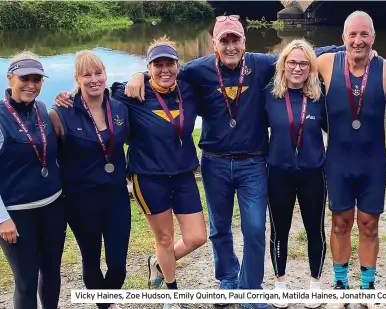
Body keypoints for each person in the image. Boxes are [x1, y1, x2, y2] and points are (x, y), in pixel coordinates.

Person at [122, 15, 345, 309]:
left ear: (244, 42)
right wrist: (138, 75)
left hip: (253, 161)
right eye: (224, 41)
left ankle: (250, 290)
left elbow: (300, 55)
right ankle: (228, 281)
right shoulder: (198, 69)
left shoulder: (263, 64)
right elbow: (164, 72)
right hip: (214, 161)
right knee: (219, 228)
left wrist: (348, 50)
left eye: (235, 40)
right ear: (215, 44)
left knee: (254, 227)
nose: (230, 46)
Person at [55, 37, 208, 309]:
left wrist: (139, 73)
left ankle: (158, 263)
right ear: (148, 67)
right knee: (164, 238)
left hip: (184, 173)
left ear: (177, 65)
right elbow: (96, 92)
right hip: (147, 177)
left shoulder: (189, 88)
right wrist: (67, 96)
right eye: (156, 64)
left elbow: (205, 70)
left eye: (169, 63)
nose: (164, 70)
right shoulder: (129, 93)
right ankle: (171, 296)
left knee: (197, 237)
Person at [316, 11, 386, 309]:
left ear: (373, 38)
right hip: (338, 160)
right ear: (342, 39)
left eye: (364, 34)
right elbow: (295, 61)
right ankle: (340, 286)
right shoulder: (326, 64)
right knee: (340, 223)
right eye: (352, 34)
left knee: (369, 225)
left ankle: (368, 288)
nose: (358, 40)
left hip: (373, 162)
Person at [0, 51, 66, 309]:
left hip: (53, 209)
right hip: (17, 216)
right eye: (25, 78)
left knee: (52, 273)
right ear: (10, 78)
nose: (31, 84)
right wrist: (2, 218)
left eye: (37, 79)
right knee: (25, 281)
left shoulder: (42, 109)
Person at [49, 50, 130, 309]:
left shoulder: (119, 106)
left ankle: (107, 298)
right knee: (91, 259)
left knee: (118, 264)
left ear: (106, 75)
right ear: (77, 78)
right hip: (80, 199)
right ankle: (105, 305)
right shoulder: (61, 113)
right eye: (87, 75)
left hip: (116, 195)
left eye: (98, 73)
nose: (94, 79)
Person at [264, 39, 328, 309]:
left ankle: (315, 284)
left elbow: (336, 129)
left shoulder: (319, 96)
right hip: (278, 174)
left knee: (316, 229)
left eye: (304, 63)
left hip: (313, 174)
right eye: (292, 62)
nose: (297, 68)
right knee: (280, 230)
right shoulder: (269, 94)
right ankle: (280, 283)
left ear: (311, 66)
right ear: (283, 64)